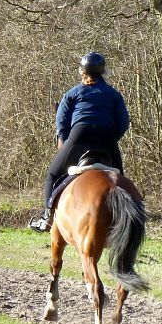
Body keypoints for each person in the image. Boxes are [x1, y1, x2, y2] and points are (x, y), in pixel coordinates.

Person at [28, 52, 131, 232]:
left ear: (82, 72)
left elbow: (61, 122)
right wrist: (111, 140)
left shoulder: (72, 93)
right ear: (103, 71)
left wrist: (69, 142)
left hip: (79, 134)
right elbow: (123, 123)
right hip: (106, 136)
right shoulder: (114, 94)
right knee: (121, 179)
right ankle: (127, 220)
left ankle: (46, 218)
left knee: (52, 174)